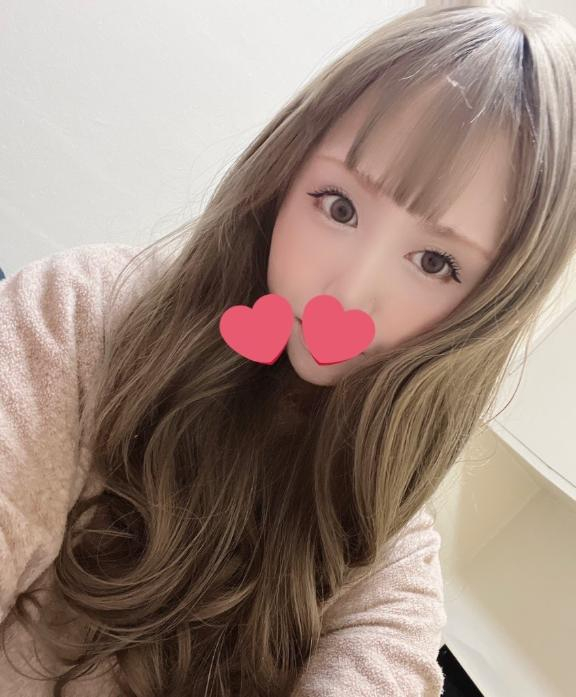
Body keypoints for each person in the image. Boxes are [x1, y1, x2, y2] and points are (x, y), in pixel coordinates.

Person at [2, 1, 576, 695]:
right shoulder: (83, 314)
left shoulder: (384, 554)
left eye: (435, 263)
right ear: (286, 172)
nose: (347, 293)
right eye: (340, 206)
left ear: (488, 309)